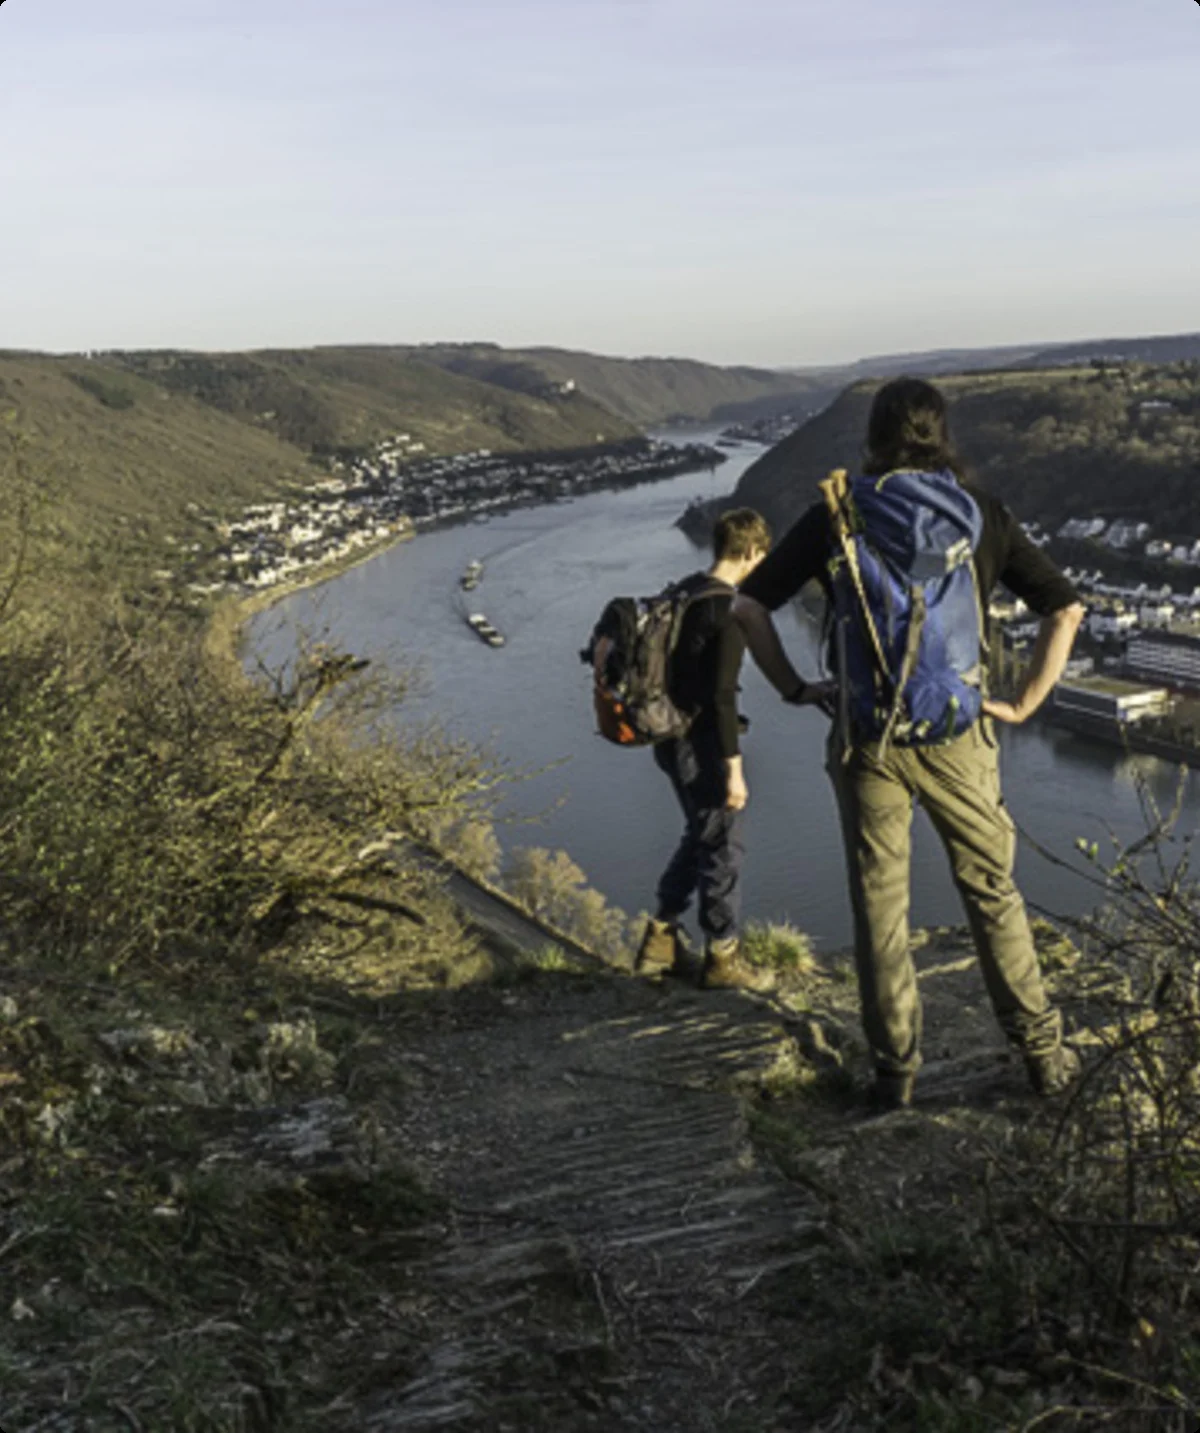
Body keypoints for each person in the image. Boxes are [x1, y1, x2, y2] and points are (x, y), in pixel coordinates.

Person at [734, 377, 1086, 1106]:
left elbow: (747, 604)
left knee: (880, 907)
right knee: (993, 891)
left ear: (874, 434)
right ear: (941, 432)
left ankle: (895, 1072)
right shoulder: (981, 514)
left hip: (869, 739)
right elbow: (1066, 608)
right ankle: (1044, 1054)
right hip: (960, 731)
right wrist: (1022, 701)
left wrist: (795, 688)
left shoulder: (840, 510)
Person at [634, 508, 790, 988]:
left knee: (699, 836)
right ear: (749, 552)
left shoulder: (686, 589)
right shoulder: (728, 611)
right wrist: (734, 770)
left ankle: (660, 938)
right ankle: (722, 958)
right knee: (723, 846)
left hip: (666, 738)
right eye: (761, 556)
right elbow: (722, 696)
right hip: (700, 745)